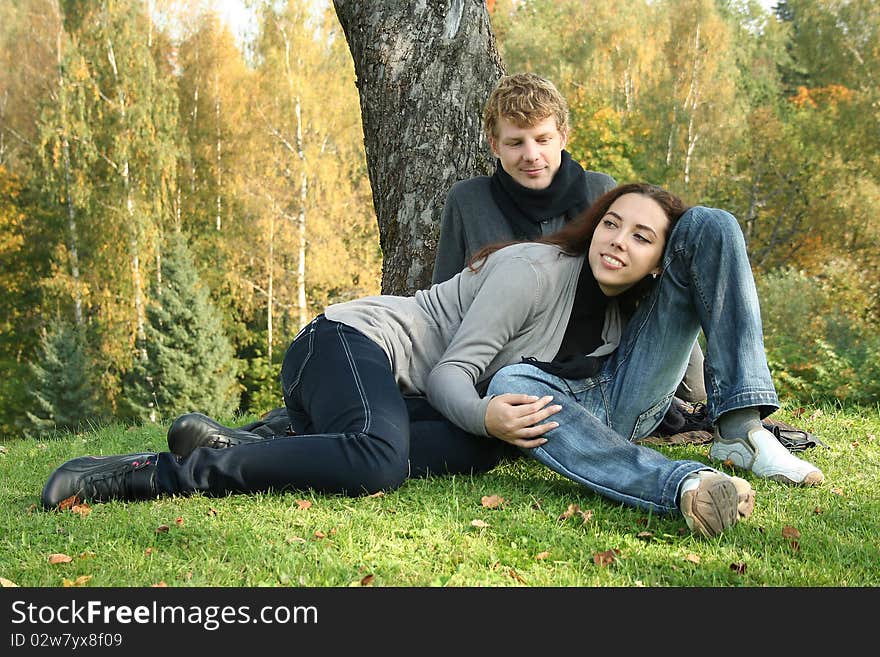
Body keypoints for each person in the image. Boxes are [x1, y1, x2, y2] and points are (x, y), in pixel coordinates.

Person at [41, 182, 808, 538]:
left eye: (642, 238)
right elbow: (452, 373)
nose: (618, 241)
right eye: (613, 223)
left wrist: (719, 416)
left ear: (656, 265)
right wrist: (484, 412)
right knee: (381, 458)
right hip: (355, 344)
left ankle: (250, 443)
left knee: (474, 450)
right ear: (593, 225)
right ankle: (149, 473)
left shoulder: (620, 323)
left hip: (400, 395)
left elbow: (671, 356)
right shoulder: (535, 271)